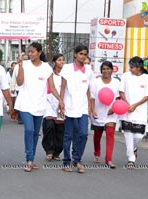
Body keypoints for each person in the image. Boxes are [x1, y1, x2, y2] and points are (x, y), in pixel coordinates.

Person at [14, 42, 63, 172]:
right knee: (29, 130)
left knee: (35, 133)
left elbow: (51, 87)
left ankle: (31, 159)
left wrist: (60, 100)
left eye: (33, 51)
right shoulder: (23, 65)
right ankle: (29, 159)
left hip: (40, 105)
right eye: (29, 52)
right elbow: (19, 82)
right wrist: (20, 67)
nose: (30, 54)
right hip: (25, 104)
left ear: (39, 52)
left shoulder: (46, 68)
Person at [60, 44, 94, 173]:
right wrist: (61, 103)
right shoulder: (67, 68)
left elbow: (89, 90)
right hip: (69, 107)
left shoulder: (89, 70)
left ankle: (77, 159)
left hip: (83, 108)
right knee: (68, 135)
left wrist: (90, 107)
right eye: (81, 54)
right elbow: (63, 87)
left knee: (83, 134)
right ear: (75, 54)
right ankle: (66, 162)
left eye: (85, 54)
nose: (83, 57)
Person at [119, 56, 148, 169]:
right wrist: (128, 104)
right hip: (127, 111)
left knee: (138, 135)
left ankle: (134, 148)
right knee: (128, 134)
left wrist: (135, 105)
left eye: (132, 67)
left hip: (140, 112)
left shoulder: (147, 78)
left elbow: (147, 95)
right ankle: (131, 159)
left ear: (139, 67)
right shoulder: (125, 76)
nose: (130, 69)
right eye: (130, 67)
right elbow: (121, 91)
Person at [90, 61, 120, 169]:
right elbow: (92, 98)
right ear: (101, 70)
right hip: (98, 112)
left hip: (111, 113)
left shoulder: (116, 83)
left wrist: (114, 108)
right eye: (104, 69)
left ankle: (109, 160)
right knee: (97, 134)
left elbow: (118, 98)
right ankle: (97, 153)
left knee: (110, 134)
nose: (106, 71)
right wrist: (93, 111)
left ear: (112, 70)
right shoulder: (95, 82)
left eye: (108, 69)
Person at [42, 53, 65, 161]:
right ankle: (49, 150)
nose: (62, 62)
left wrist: (62, 103)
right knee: (49, 126)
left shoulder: (66, 75)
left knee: (60, 130)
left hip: (62, 103)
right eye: (59, 60)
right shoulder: (49, 74)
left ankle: (57, 152)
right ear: (54, 62)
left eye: (63, 60)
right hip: (49, 102)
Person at [11, 54, 29, 124]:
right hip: (19, 88)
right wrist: (12, 87)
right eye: (24, 59)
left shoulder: (31, 67)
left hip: (27, 88)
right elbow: (14, 77)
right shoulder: (17, 66)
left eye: (26, 59)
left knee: (27, 104)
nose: (25, 61)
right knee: (20, 103)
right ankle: (19, 118)